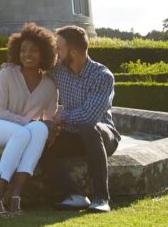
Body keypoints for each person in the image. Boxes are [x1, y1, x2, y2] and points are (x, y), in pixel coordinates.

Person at [0, 23, 59, 217]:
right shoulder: (7, 73)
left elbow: (50, 117)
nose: (27, 54)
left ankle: (14, 195)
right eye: (23, 50)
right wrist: (29, 123)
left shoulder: (50, 85)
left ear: (44, 53)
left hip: (20, 137)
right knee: (27, 130)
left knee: (41, 130)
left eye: (34, 50)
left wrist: (52, 127)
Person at [41, 25, 120, 213]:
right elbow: (34, 66)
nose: (56, 53)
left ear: (73, 52)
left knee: (88, 127)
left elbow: (89, 116)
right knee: (39, 143)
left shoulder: (102, 76)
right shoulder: (59, 70)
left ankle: (101, 198)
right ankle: (75, 195)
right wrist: (11, 66)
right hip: (74, 135)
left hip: (102, 135)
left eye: (59, 49)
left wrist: (60, 117)